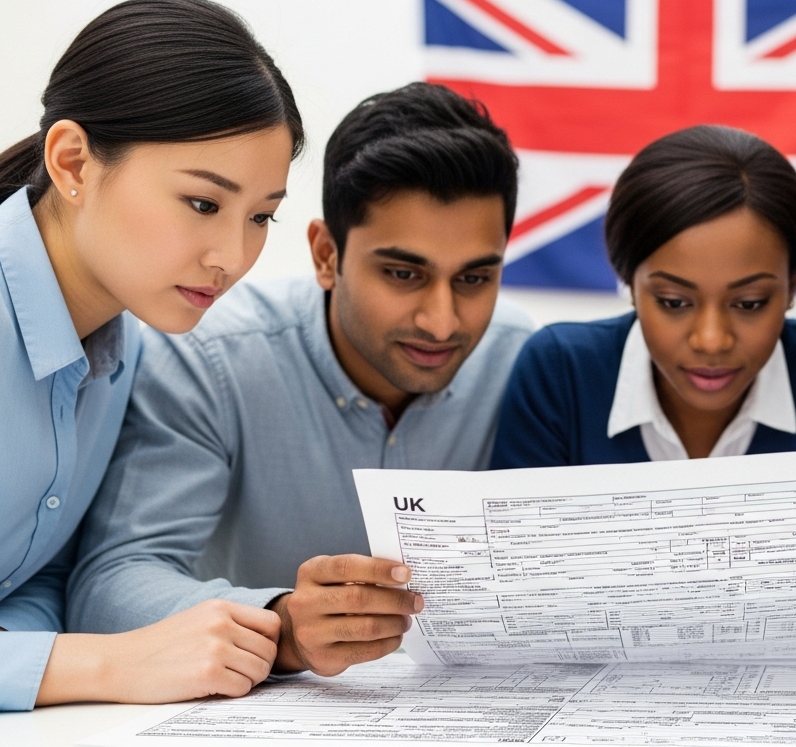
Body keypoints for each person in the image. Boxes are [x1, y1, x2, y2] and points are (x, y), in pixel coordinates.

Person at [67, 83, 534, 679]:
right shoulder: (207, 361)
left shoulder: (521, 361)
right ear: (326, 255)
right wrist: (279, 622)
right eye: (402, 273)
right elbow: (108, 588)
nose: (442, 322)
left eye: (473, 279)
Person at [0, 0, 303, 710]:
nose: (233, 257)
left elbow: (31, 575)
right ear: (72, 162)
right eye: (203, 204)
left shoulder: (123, 340)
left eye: (261, 216)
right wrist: (101, 666)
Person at [491, 125, 796, 468]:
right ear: (629, 282)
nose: (711, 341)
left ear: (793, 284)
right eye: (673, 302)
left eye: (750, 303)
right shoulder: (561, 372)